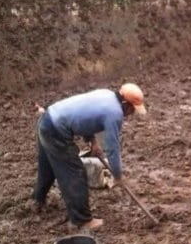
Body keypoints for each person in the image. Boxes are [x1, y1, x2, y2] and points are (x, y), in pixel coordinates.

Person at [32, 83, 147, 229]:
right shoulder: (115, 113)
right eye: (131, 110)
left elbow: (84, 116)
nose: (130, 114)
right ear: (125, 104)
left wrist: (93, 142)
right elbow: (112, 148)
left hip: (47, 121)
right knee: (75, 173)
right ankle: (82, 220)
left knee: (47, 167)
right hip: (56, 131)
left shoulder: (106, 95)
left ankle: (37, 200)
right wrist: (117, 175)